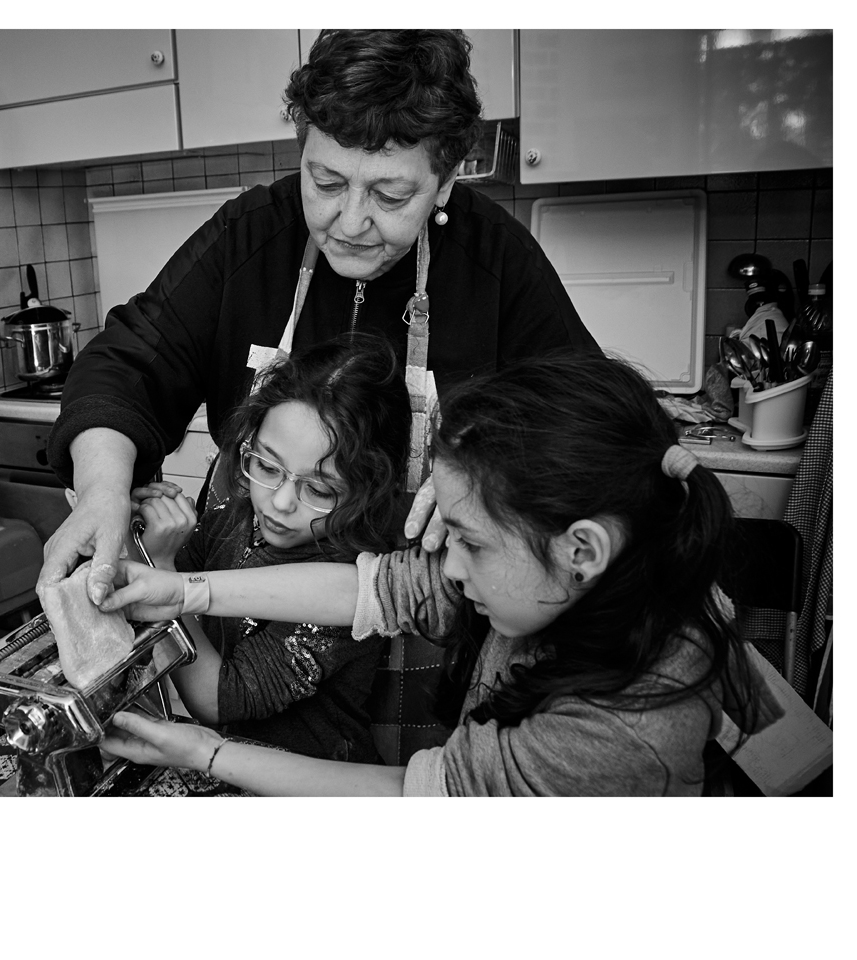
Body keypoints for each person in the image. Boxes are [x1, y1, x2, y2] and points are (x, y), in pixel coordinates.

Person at [38, 29, 599, 613]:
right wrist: (100, 494)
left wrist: (491, 473)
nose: (350, 221)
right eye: (326, 183)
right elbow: (126, 364)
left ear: (447, 179)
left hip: (423, 612)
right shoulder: (251, 235)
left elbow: (586, 414)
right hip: (240, 607)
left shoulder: (497, 259)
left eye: (389, 196)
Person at [98, 353, 780, 796]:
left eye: (469, 543)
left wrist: (205, 753)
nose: (444, 565)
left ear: (583, 550)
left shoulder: (615, 737)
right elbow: (374, 589)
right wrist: (186, 589)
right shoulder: (557, 584)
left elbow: (414, 798)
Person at [132, 334, 410, 763]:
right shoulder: (236, 513)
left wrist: (165, 570)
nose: (281, 502)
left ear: (369, 492)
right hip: (217, 761)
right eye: (266, 465)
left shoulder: (353, 584)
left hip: (314, 785)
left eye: (318, 489)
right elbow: (160, 592)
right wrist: (148, 538)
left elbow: (218, 699)